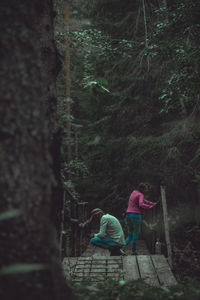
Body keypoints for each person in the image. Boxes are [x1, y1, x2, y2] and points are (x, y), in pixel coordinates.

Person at [124, 182, 157, 255]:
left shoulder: (134, 193)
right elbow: (141, 204)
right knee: (136, 233)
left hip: (128, 215)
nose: (147, 190)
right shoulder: (141, 195)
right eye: (146, 189)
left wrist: (151, 203)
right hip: (136, 215)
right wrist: (150, 207)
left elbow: (143, 200)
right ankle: (133, 251)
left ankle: (122, 249)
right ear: (142, 189)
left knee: (130, 234)